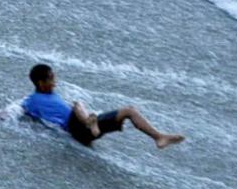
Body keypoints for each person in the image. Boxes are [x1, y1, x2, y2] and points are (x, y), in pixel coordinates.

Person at [20, 63, 184, 149]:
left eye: (54, 77)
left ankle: (159, 137)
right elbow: (18, 110)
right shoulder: (32, 100)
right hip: (77, 128)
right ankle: (89, 122)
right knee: (78, 104)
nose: (55, 82)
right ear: (41, 83)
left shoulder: (47, 95)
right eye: (51, 79)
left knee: (130, 111)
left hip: (85, 130)